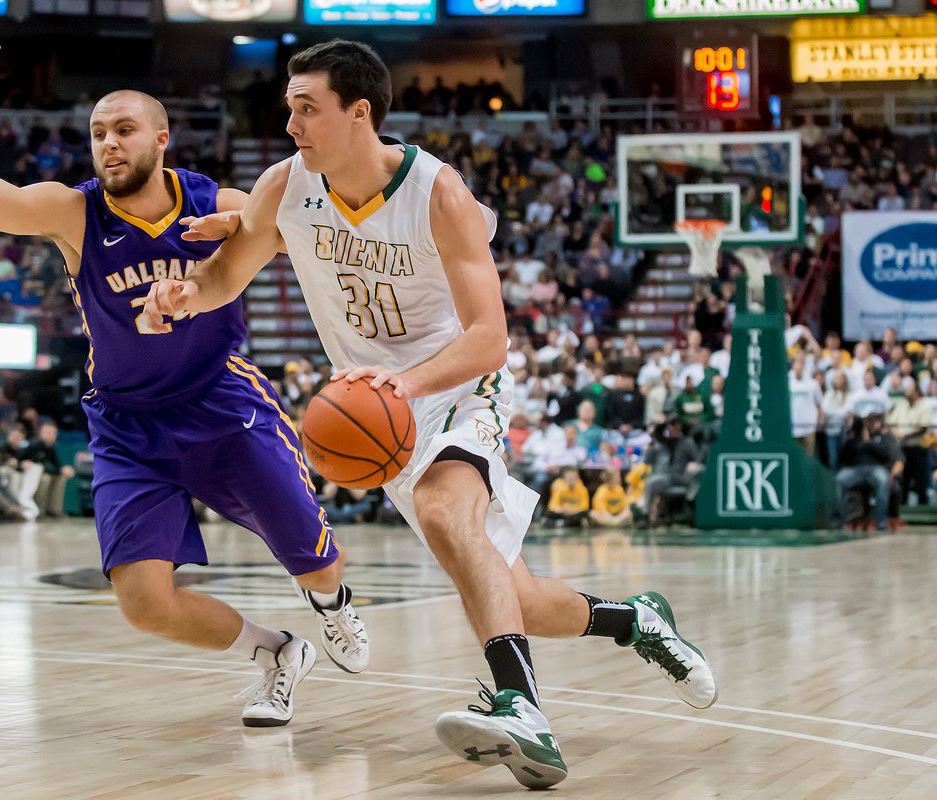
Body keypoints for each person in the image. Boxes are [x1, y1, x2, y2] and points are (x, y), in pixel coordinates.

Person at [144, 38, 716, 789]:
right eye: (288, 108)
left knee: (448, 514)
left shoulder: (438, 194)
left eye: (306, 109)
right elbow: (226, 274)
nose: (290, 124)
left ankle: (521, 710)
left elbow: (489, 338)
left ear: (359, 113)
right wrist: (185, 296)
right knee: (524, 599)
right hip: (382, 409)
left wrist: (404, 386)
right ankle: (637, 620)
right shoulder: (287, 187)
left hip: (452, 387)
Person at [0, 6, 367, 728]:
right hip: (128, 422)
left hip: (221, 404)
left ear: (160, 139)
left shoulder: (212, 199)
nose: (108, 143)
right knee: (144, 603)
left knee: (316, 562)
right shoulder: (75, 214)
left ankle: (333, 605)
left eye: (124, 129)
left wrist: (243, 226)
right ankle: (277, 653)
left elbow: (308, 236)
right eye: (99, 132)